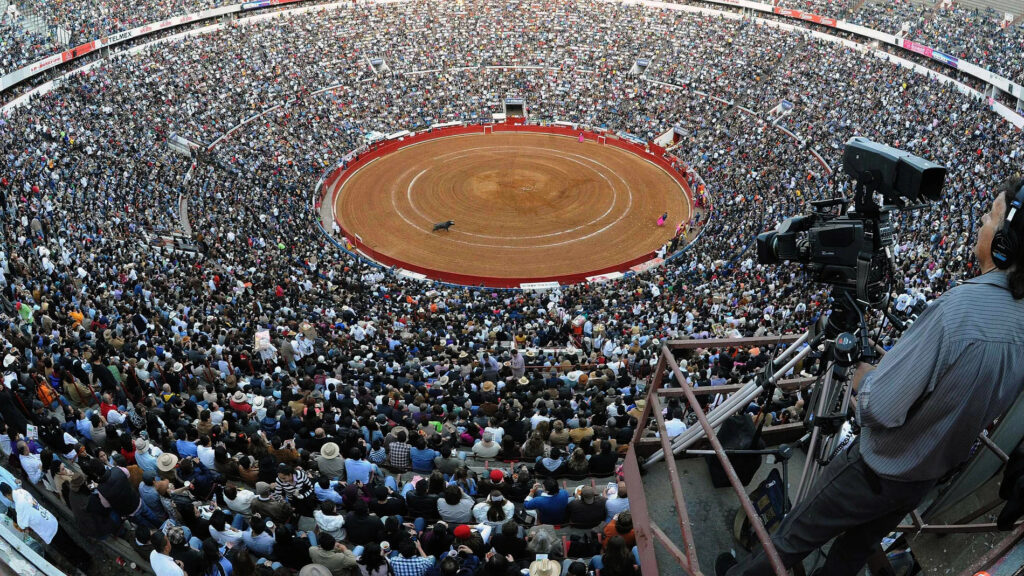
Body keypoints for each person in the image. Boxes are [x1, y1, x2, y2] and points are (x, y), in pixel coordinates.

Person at [718, 178, 1024, 576]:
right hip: (923, 479)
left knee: (792, 539)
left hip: (877, 468)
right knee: (854, 551)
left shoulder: (959, 311)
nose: (981, 222)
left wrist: (865, 376)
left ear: (1006, 243)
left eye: (989, 216)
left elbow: (879, 407)